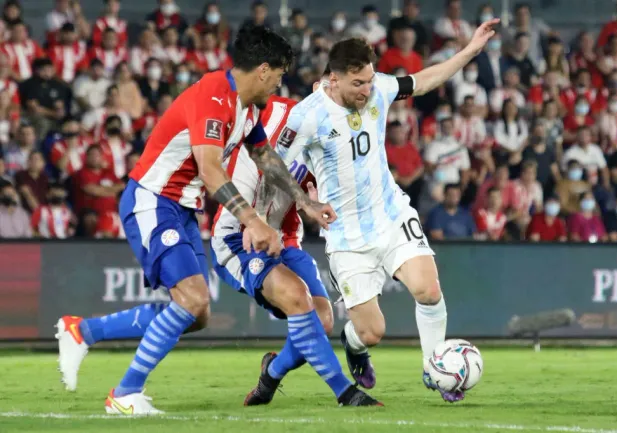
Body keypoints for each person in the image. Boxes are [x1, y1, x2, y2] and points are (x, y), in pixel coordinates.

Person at [55, 26, 334, 415]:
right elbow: (210, 169)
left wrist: (303, 200)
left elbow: (265, 157)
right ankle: (124, 393)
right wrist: (252, 220)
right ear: (265, 70)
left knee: (196, 313)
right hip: (153, 200)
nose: (280, 84)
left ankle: (82, 331)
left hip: (183, 209)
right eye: (280, 75)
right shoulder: (213, 96)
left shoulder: (246, 107)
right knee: (193, 299)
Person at [276, 19, 500, 402]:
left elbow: (423, 80)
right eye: (358, 83)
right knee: (371, 332)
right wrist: (304, 201)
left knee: (428, 290)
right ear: (333, 79)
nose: (368, 90)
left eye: (369, 80)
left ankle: (436, 368)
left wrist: (469, 51)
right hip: (346, 235)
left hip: (391, 214)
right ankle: (355, 347)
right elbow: (271, 163)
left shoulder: (379, 87)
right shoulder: (306, 115)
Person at [213, 93, 379, 406]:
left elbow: (332, 194)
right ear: (326, 85)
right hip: (238, 235)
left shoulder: (332, 141)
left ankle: (271, 374)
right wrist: (255, 221)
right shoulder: (271, 117)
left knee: (322, 319)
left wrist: (317, 198)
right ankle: (345, 392)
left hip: (286, 238)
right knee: (298, 299)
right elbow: (241, 165)